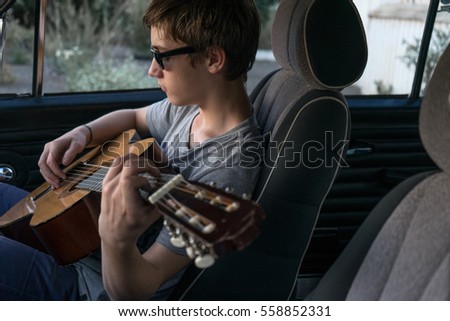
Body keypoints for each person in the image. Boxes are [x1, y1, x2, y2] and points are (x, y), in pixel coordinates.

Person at [0, 0, 262, 300]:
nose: (152, 70)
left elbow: (140, 288)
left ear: (213, 59)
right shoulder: (190, 110)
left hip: (91, 286)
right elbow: (135, 117)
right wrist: (82, 134)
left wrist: (115, 239)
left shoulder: (226, 171)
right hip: (82, 247)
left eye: (161, 56)